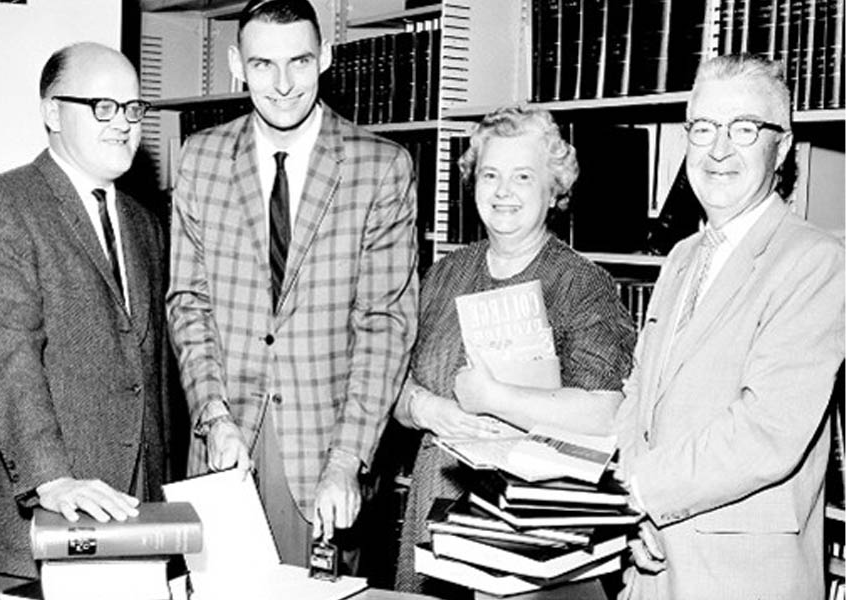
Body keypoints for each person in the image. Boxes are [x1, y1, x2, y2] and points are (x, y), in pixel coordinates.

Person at [166, 0, 418, 569]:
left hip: (326, 459)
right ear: (236, 63)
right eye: (262, 65)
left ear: (326, 57)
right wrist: (212, 416)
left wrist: (349, 457)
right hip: (224, 447)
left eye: (299, 62)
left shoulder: (380, 166)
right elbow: (189, 303)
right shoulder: (200, 159)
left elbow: (384, 325)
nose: (282, 85)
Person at [614, 54, 845, 600]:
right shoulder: (680, 257)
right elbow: (638, 396)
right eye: (703, 128)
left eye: (743, 129)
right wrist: (627, 512)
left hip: (745, 579)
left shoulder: (815, 260)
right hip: (651, 561)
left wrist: (639, 490)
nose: (718, 150)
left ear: (781, 146)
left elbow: (767, 430)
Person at [0, 42, 170, 599]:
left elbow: (149, 376)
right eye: (103, 106)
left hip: (132, 526)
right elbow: (6, 359)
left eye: (132, 108)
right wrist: (53, 478)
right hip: (38, 533)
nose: (123, 123)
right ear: (52, 111)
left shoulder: (144, 224)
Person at [392, 105, 637, 598]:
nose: (503, 191)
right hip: (434, 504)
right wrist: (425, 407)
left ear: (555, 190)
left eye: (523, 176)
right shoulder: (444, 274)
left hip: (528, 525)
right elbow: (394, 387)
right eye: (490, 175)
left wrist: (492, 396)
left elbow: (606, 414)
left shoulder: (581, 284)